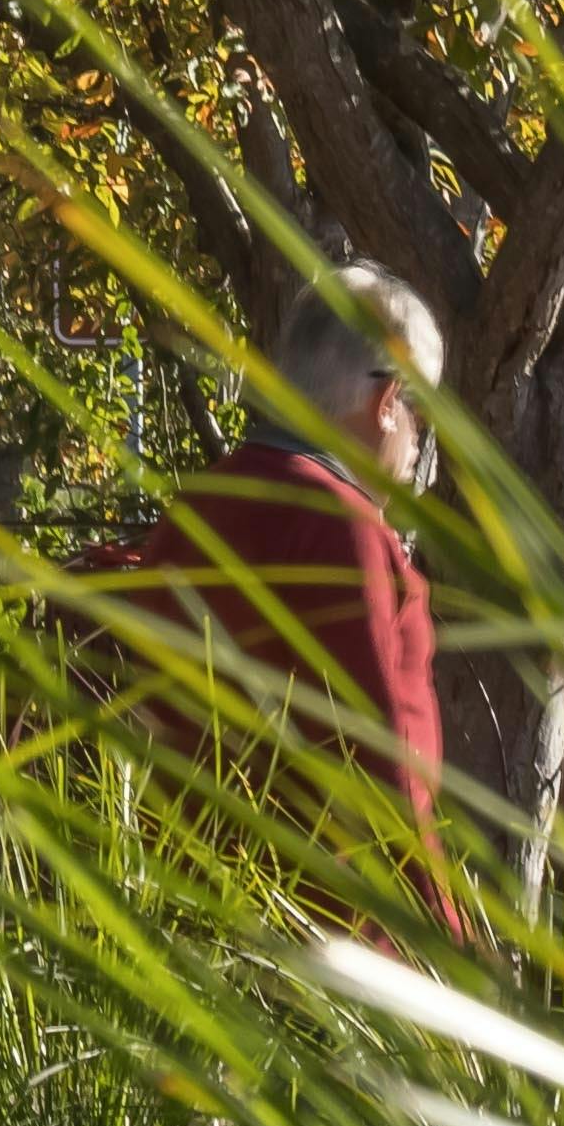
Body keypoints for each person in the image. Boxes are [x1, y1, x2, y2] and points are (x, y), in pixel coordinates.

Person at [129, 262, 461, 908]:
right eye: (424, 411)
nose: (423, 440)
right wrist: (448, 947)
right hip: (336, 933)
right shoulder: (341, 527)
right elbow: (378, 765)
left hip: (201, 911)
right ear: (388, 402)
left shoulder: (199, 508)